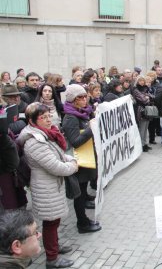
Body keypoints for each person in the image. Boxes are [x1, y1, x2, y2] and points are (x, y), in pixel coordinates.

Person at [17, 103, 78, 268]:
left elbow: (58, 154)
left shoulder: (45, 134)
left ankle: (55, 247)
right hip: (45, 187)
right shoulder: (34, 141)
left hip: (51, 185)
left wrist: (70, 159)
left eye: (48, 115)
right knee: (50, 223)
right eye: (42, 117)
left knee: (54, 221)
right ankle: (52, 258)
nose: (47, 119)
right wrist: (73, 166)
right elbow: (54, 165)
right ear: (32, 121)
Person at [61, 85, 102, 233]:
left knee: (83, 193)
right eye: (80, 97)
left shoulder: (82, 113)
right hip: (79, 162)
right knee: (79, 196)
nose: (84, 100)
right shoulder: (70, 118)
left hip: (86, 160)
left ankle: (84, 219)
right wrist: (91, 129)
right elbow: (75, 141)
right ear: (73, 100)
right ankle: (82, 224)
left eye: (85, 96)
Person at [132, 76, 153, 152]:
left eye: (143, 80)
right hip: (141, 111)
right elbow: (143, 100)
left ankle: (145, 143)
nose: (142, 82)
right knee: (142, 128)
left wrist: (148, 97)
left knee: (146, 128)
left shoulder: (145, 88)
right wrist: (147, 97)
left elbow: (152, 96)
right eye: (140, 80)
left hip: (147, 110)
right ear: (137, 81)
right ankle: (141, 145)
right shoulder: (135, 89)